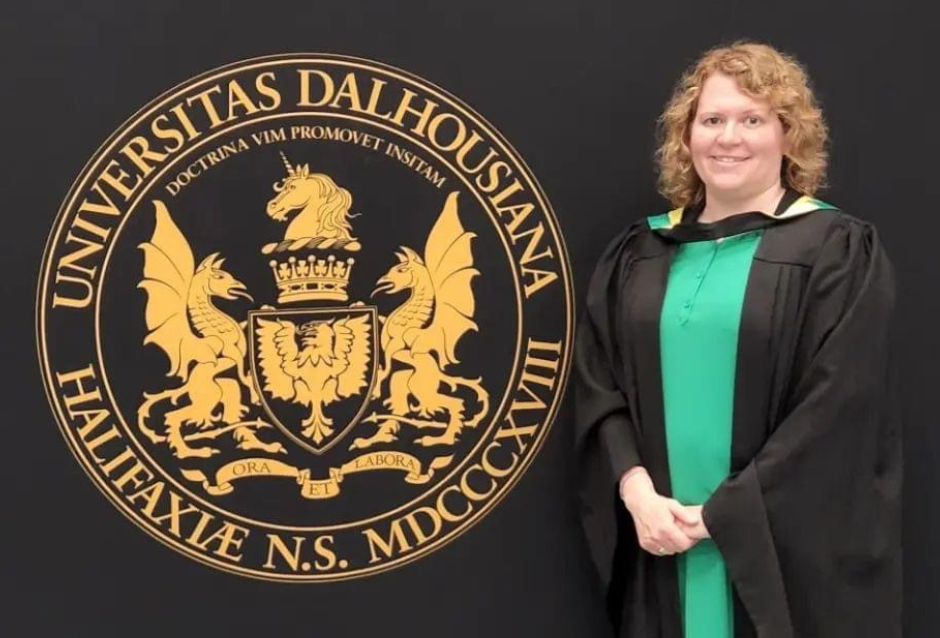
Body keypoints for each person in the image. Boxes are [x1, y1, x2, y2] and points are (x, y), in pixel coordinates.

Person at [574, 41, 901, 638]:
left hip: (782, 554)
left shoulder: (834, 250)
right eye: (713, 120)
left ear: (788, 134)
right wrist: (637, 490)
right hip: (661, 540)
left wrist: (724, 515)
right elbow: (601, 383)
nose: (730, 138)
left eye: (753, 120)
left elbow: (838, 408)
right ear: (687, 135)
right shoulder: (639, 252)